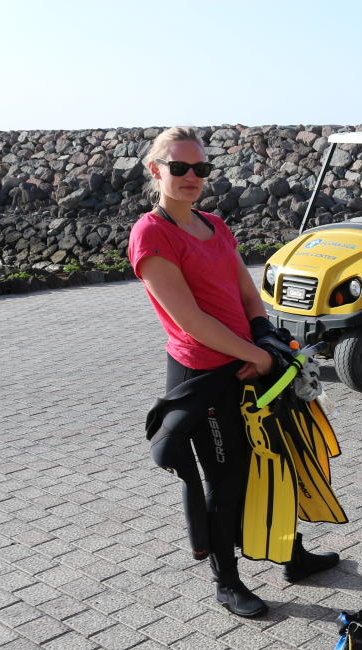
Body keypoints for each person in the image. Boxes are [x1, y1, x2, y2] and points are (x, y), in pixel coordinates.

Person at [130, 126, 338, 619]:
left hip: (250, 361)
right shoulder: (152, 234)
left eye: (199, 169)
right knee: (226, 479)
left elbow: (245, 291)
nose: (190, 177)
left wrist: (264, 334)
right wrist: (259, 355)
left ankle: (291, 554)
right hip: (204, 373)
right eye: (178, 168)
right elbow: (191, 320)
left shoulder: (215, 226)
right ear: (155, 170)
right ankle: (227, 582)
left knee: (279, 460)